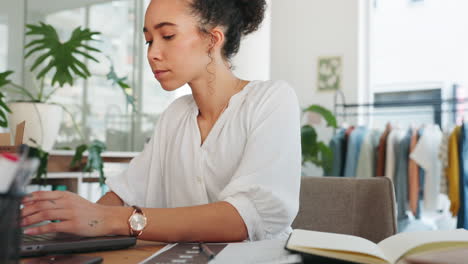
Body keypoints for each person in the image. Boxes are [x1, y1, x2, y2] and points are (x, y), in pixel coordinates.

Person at [21, 0, 301, 242]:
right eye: (149, 40)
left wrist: (112, 220)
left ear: (213, 40)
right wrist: (79, 223)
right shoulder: (176, 115)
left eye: (167, 36)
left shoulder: (271, 99)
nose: (152, 53)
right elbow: (124, 194)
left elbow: (248, 216)